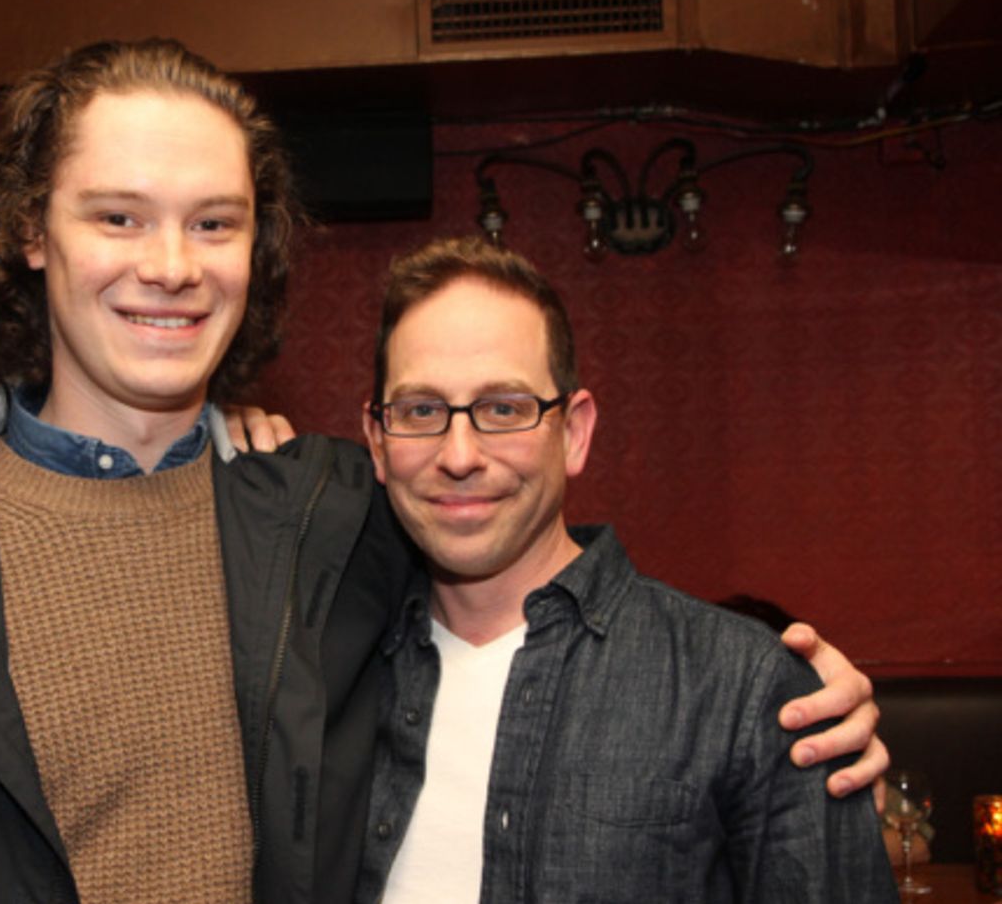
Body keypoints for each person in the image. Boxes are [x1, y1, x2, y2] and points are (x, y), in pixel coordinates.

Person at [0, 41, 884, 904]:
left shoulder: (325, 521)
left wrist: (781, 703)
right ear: (31, 231)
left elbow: (528, 580)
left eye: (213, 223)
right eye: (117, 217)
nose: (170, 266)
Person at [354, 236, 896, 903]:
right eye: (421, 411)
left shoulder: (743, 687)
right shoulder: (328, 670)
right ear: (377, 441)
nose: (459, 454)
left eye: (504, 408)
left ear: (574, 432)